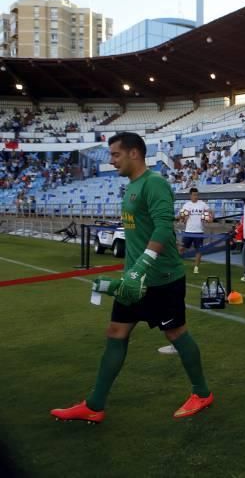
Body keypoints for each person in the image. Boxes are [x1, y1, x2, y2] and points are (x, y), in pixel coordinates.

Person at [51, 132, 213, 423]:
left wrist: (142, 266)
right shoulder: (131, 186)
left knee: (176, 333)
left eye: (115, 155)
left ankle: (202, 393)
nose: (111, 161)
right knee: (115, 333)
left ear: (134, 153)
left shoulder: (155, 183)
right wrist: (132, 272)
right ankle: (94, 405)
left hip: (162, 278)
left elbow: (164, 228)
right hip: (133, 281)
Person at [179, 188, 213, 276]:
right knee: (182, 248)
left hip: (199, 231)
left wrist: (210, 218)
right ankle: (177, 265)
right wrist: (183, 217)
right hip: (188, 231)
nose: (196, 196)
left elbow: (210, 212)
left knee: (199, 250)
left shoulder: (202, 204)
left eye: (197, 195)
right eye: (194, 195)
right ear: (190, 195)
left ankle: (196, 267)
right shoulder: (186, 205)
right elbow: (181, 217)